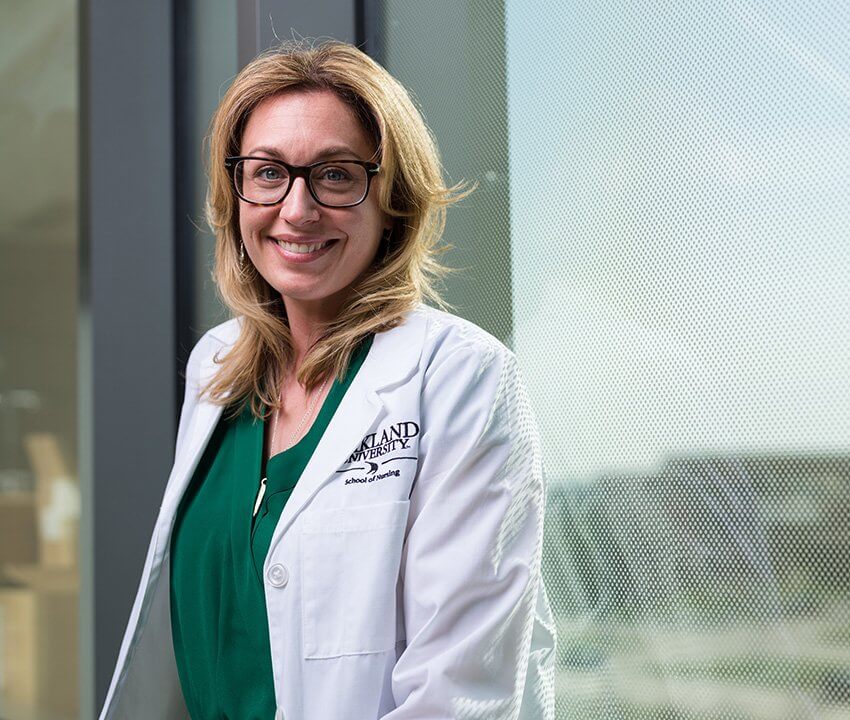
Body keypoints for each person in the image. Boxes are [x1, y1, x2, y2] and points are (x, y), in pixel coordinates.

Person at [99, 40, 556, 720]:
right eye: (267, 173)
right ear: (236, 191)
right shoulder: (216, 369)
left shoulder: (462, 378)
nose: (297, 209)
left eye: (336, 176)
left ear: (393, 198)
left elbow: (461, 692)